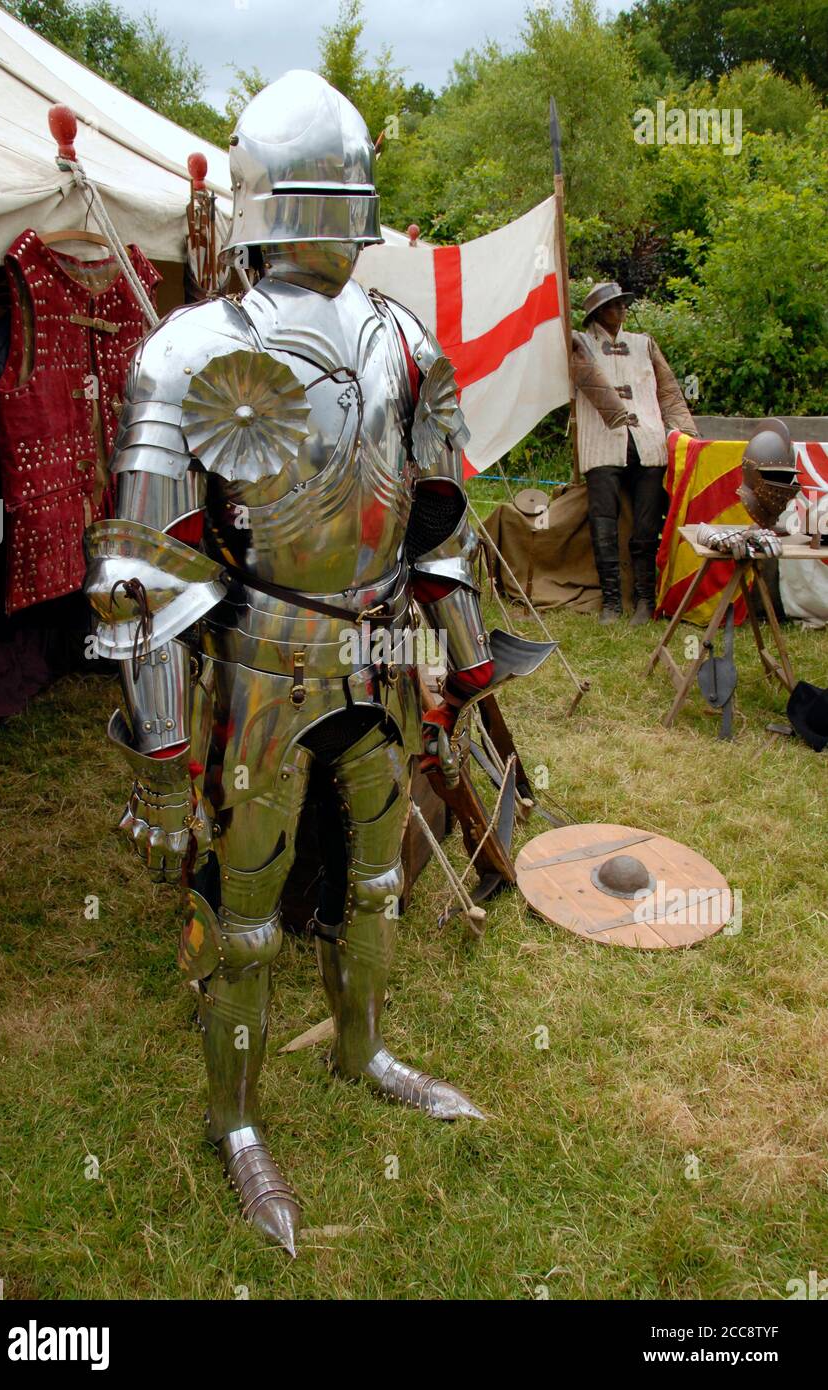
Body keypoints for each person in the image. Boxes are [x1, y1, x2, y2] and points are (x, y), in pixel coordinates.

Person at [82, 71, 542, 1255]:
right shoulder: (187, 353)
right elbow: (143, 571)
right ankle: (237, 1122)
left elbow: (437, 527)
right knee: (242, 920)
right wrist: (161, 741)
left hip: (384, 655)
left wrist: (467, 659)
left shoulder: (402, 342)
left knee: (380, 884)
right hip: (261, 665)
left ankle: (365, 1047)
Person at [572, 281, 697, 624]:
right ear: (598, 313)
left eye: (624, 305)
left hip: (648, 441)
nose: (622, 311)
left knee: (646, 526)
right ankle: (611, 601)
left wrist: (686, 435)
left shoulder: (644, 345)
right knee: (603, 524)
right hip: (602, 442)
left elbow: (670, 392)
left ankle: (645, 597)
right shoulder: (578, 344)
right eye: (615, 305)